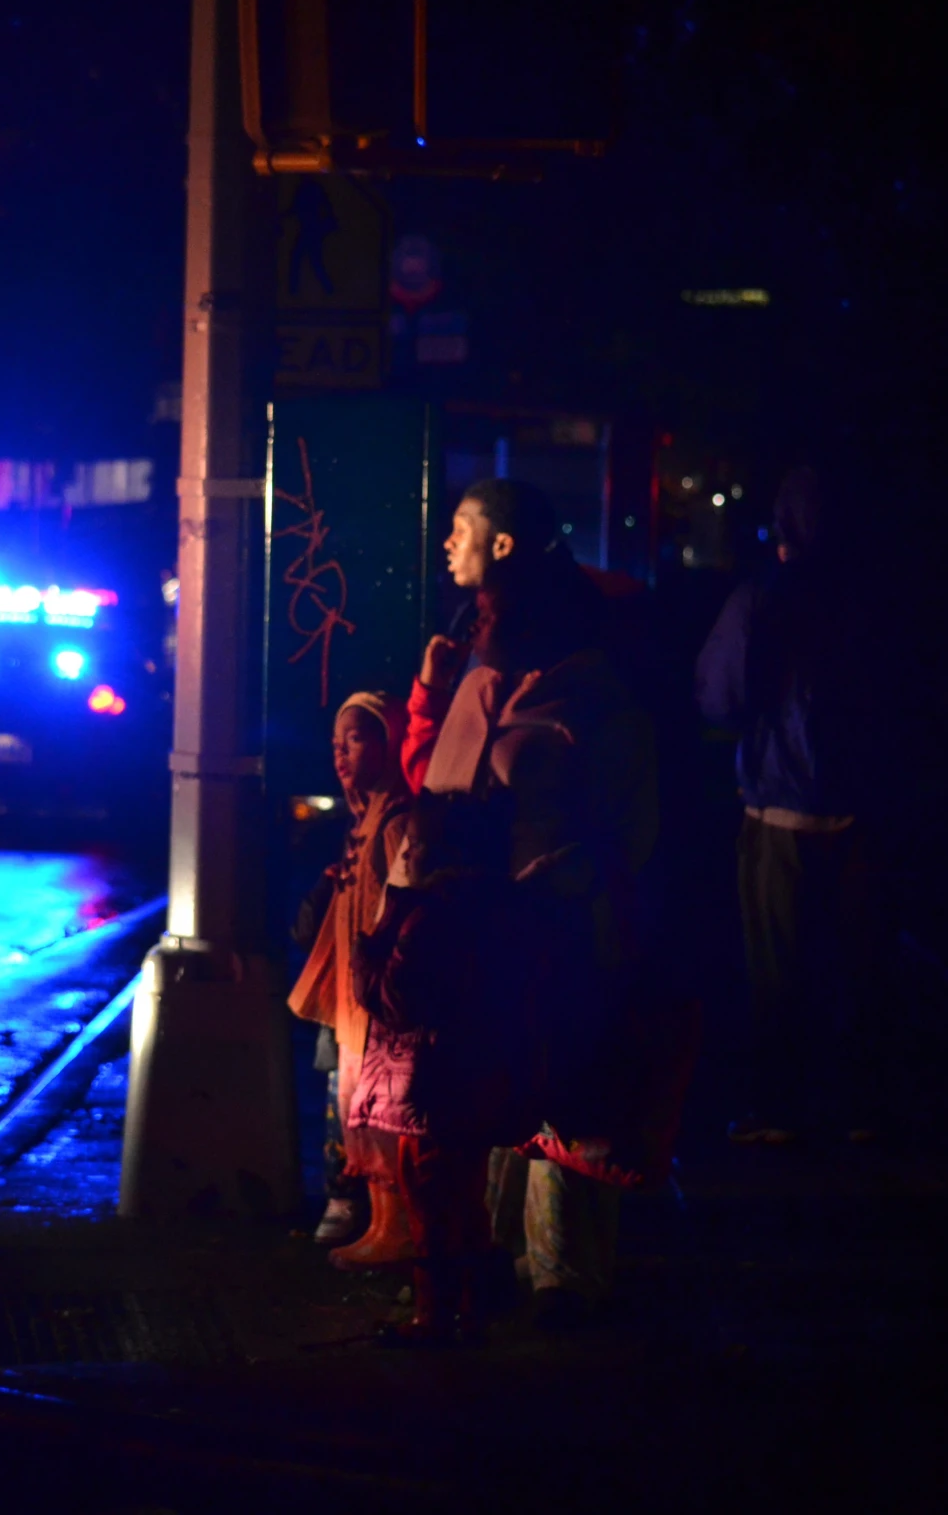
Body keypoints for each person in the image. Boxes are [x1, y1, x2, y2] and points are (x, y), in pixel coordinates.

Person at [404, 478, 658, 1328]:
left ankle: (563, 1282)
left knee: (567, 1100)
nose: (447, 544)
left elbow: (632, 816)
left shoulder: (575, 679)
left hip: (558, 922)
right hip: (498, 925)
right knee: (509, 1095)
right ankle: (514, 1268)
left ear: (502, 548)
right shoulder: (486, 663)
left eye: (460, 530)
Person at [696, 465, 884, 1149]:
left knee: (777, 967)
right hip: (863, 810)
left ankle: (777, 1107)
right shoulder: (875, 601)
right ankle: (857, 1105)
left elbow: (718, 696)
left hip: (779, 808)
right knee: (854, 962)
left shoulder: (762, 598)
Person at [348, 794, 539, 1345]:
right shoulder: (497, 906)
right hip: (475, 1080)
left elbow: (394, 999)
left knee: (429, 1195)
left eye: (412, 844)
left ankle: (434, 1316)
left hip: (434, 1085)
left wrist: (373, 941)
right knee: (464, 1196)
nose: (403, 855)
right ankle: (473, 1306)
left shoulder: (430, 916)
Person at [287, 691, 416, 1266]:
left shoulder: (395, 822)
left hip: (375, 1001)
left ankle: (392, 1226)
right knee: (352, 1104)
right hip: (347, 1000)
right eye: (336, 743)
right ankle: (364, 1211)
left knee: (384, 1111)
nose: (341, 754)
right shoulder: (357, 824)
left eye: (357, 739)